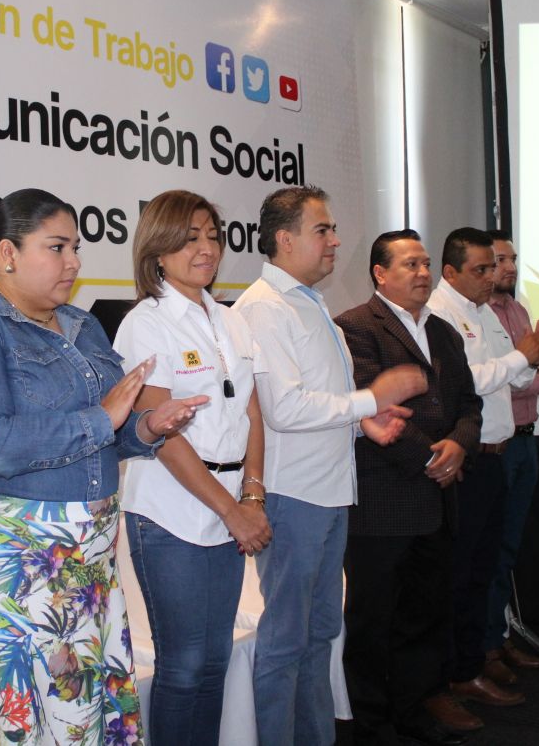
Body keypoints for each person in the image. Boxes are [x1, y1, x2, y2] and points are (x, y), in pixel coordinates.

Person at [0, 188, 206, 745]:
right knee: (5, 724)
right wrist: (103, 418)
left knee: (79, 723)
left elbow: (104, 438)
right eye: (57, 247)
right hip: (5, 576)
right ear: (7, 254)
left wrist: (146, 428)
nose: (73, 262)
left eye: (76, 248)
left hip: (85, 572)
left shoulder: (81, 325)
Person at [233, 186, 426, 746]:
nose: (336, 240)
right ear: (285, 239)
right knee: (286, 642)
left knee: (319, 636)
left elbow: (321, 400)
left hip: (329, 492)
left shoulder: (310, 304)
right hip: (292, 497)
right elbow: (285, 410)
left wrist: (363, 421)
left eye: (333, 229)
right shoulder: (264, 309)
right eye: (323, 230)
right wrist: (370, 399)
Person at [113, 190, 273, 746]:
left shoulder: (230, 319)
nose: (206, 248)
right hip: (170, 514)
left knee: (214, 663)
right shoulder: (146, 323)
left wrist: (252, 496)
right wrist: (233, 510)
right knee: (182, 669)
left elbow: (251, 411)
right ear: (157, 251)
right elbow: (160, 432)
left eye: (212, 236)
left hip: (231, 508)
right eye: (188, 238)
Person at [334, 230, 482, 746]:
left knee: (423, 617)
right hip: (383, 503)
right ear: (380, 273)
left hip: (438, 499)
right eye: (410, 265)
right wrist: (431, 458)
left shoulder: (443, 331)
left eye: (425, 264)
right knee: (374, 623)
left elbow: (468, 404)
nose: (423, 273)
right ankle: (373, 728)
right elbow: (372, 407)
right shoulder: (355, 327)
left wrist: (459, 444)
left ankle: (414, 715)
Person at [425, 227, 539, 716]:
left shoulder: (483, 311)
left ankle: (472, 663)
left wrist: (538, 360)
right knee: (461, 573)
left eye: (493, 267)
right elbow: (467, 380)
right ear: (450, 272)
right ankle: (456, 673)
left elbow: (513, 376)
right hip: (470, 459)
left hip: (498, 455)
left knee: (484, 568)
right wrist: (522, 357)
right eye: (481, 269)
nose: (492, 277)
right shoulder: (440, 315)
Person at [481, 229, 539, 684]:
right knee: (489, 550)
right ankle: (485, 648)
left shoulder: (517, 311)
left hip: (525, 441)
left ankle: (497, 637)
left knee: (508, 548)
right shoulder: (478, 316)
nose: (510, 268)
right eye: (499, 260)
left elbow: (522, 377)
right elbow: (501, 383)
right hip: (498, 446)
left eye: (512, 259)